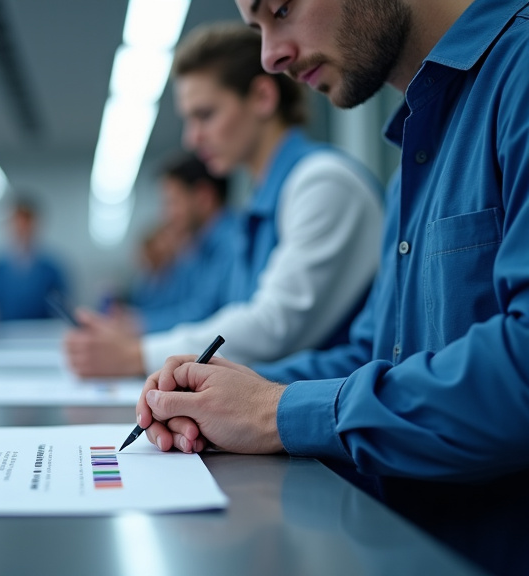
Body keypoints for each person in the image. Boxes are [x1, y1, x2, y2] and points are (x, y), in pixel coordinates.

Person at [138, 1, 529, 573]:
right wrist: (232, 397)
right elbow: (373, 353)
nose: (271, 56)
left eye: (282, 8)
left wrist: (276, 411)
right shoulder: (419, 148)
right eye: (258, 29)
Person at [65, 24, 383, 378]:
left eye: (205, 115)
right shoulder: (266, 199)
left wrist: (136, 356)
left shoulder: (323, 184)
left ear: (262, 97)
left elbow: (272, 327)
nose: (192, 138)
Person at [125, 152, 238, 334]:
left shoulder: (234, 243)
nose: (165, 215)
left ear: (203, 197)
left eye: (172, 202)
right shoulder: (198, 250)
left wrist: (138, 324)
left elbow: (206, 316)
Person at [0, 198, 68, 323]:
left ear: (35, 226)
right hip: (5, 336)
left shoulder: (51, 268)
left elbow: (63, 308)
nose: (22, 230)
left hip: (43, 335)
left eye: (26, 225)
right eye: (18, 225)